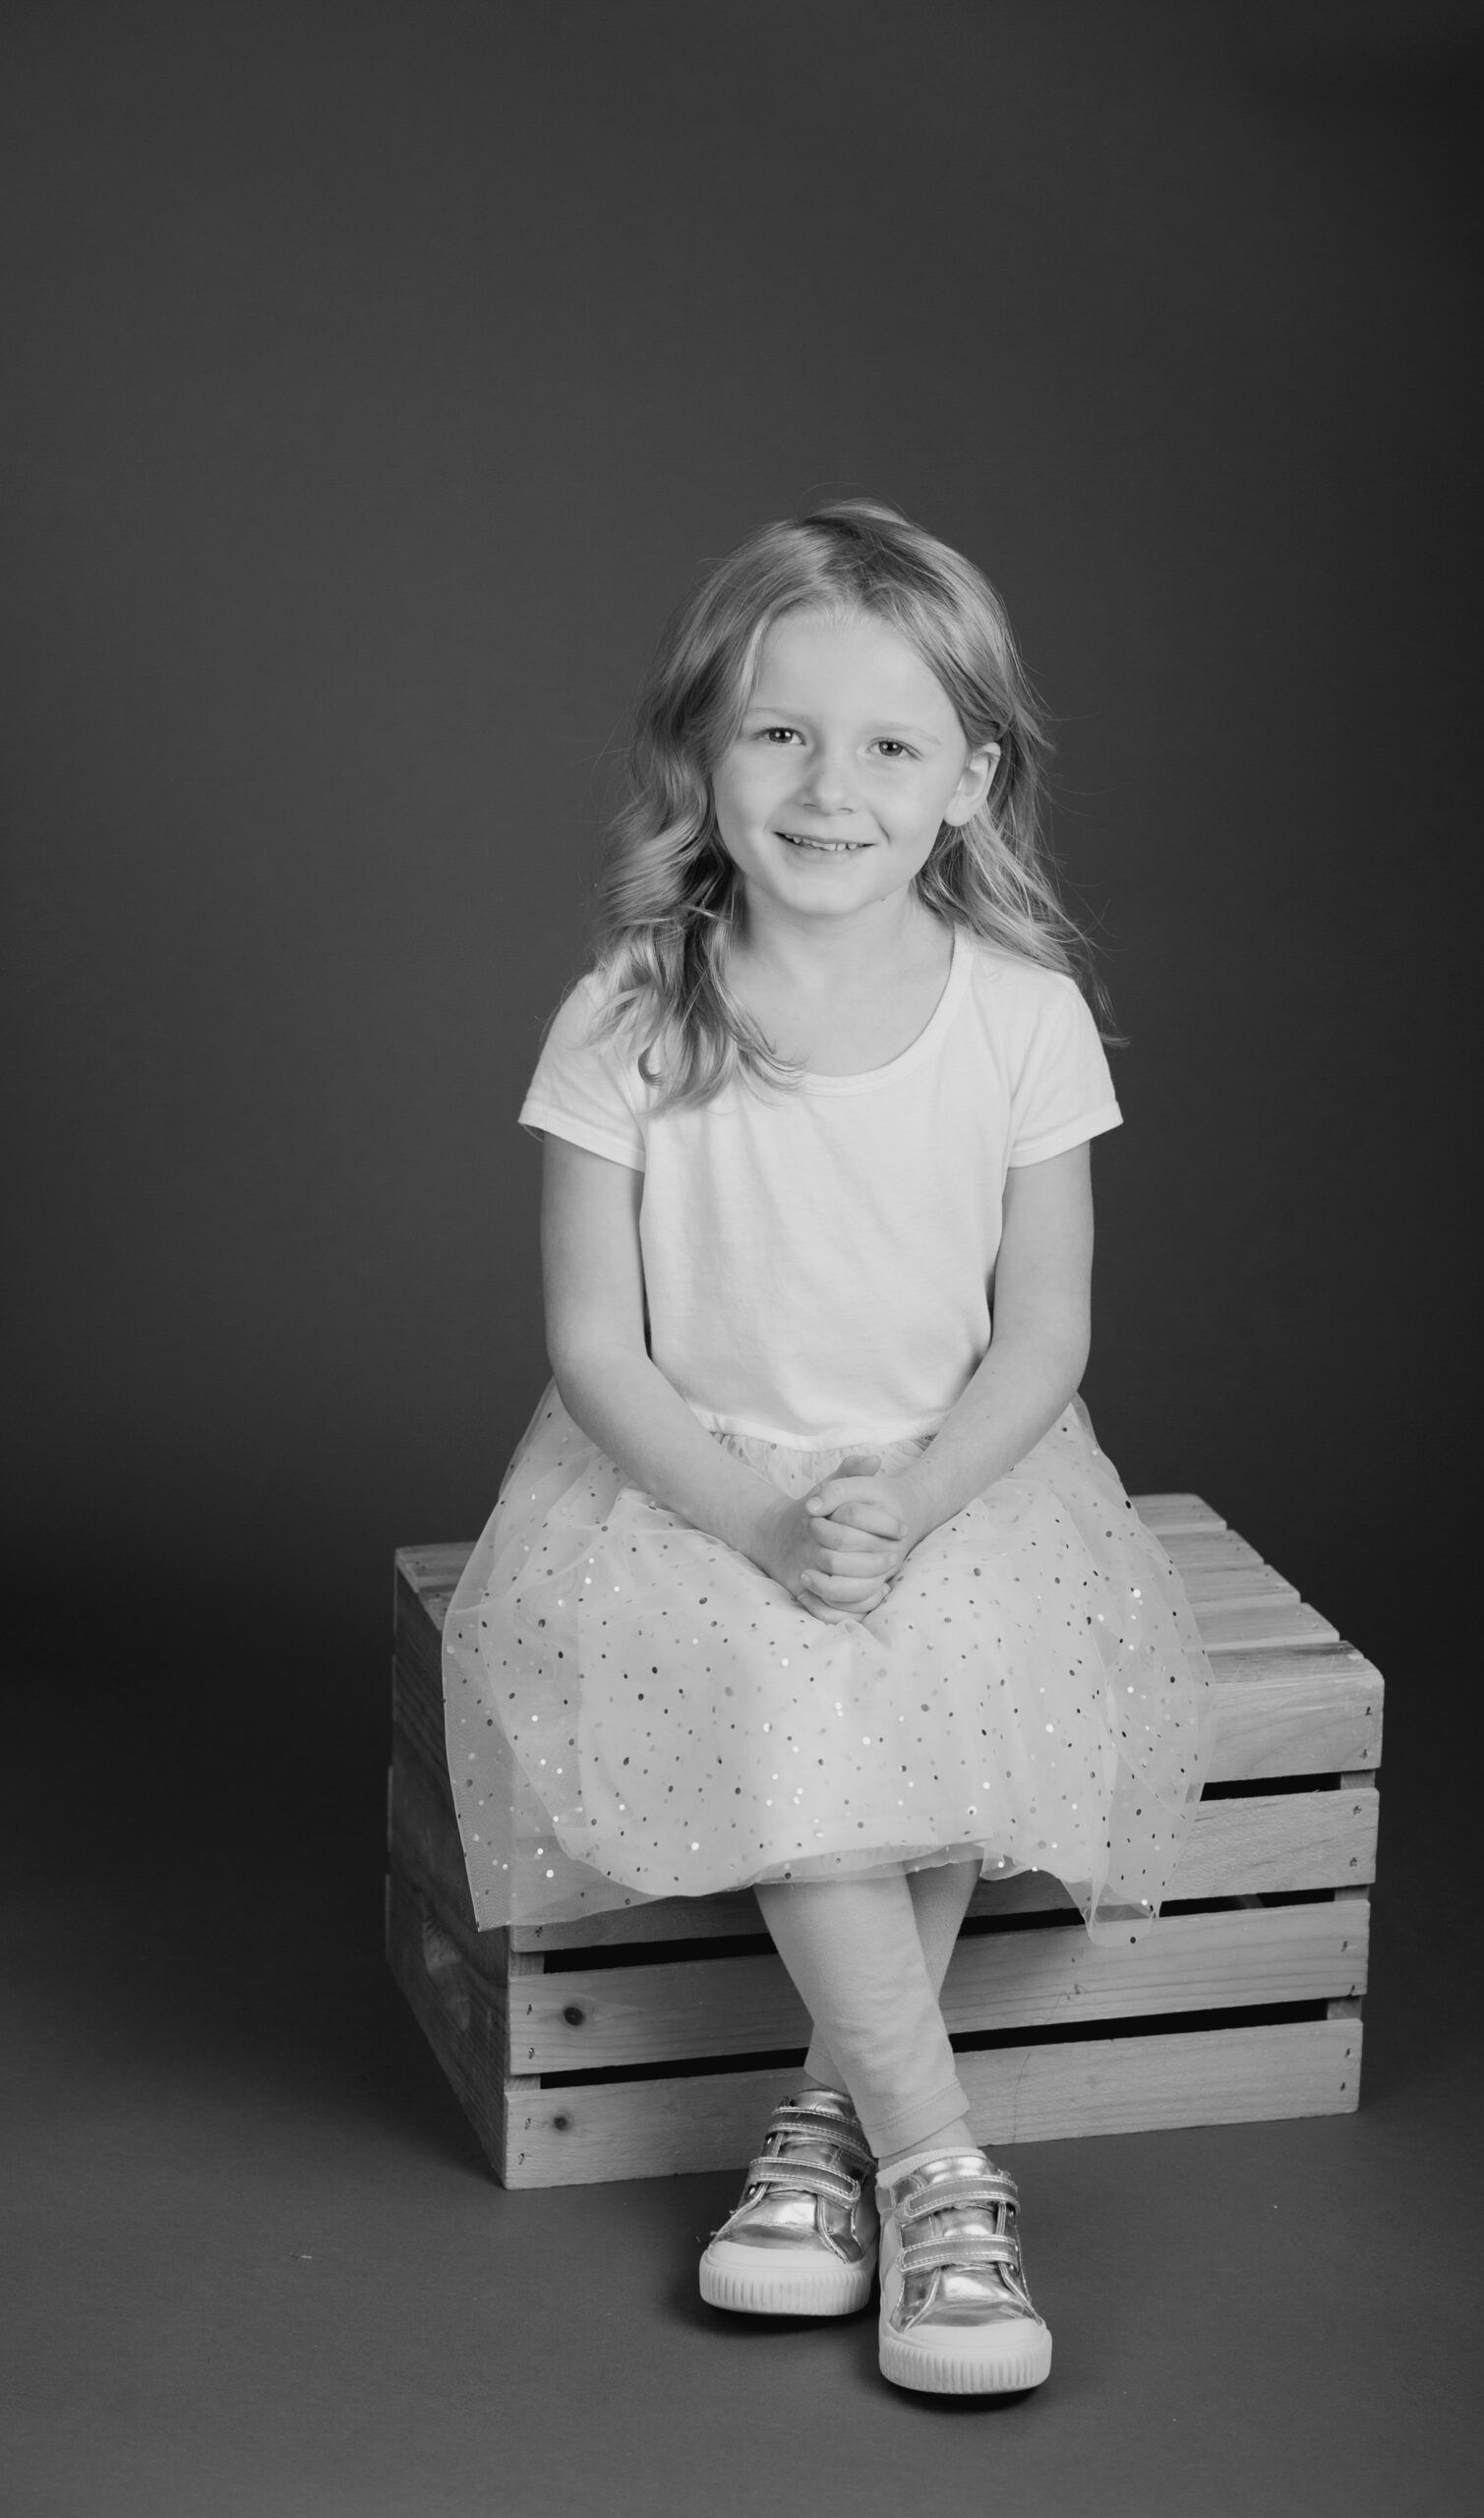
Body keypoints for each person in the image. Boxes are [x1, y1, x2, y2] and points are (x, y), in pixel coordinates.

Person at [443, 500, 1216, 2396]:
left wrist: (917, 1499)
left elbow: (1044, 1332)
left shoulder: (1022, 1021)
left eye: (888, 745)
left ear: (970, 781)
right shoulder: (633, 1014)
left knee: (941, 1670)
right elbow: (590, 1343)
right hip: (688, 1479)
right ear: (704, 756)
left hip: (955, 1465)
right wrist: (763, 1520)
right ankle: (943, 2175)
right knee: (807, 1685)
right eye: (779, 732)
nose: (827, 785)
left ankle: (816, 2144)